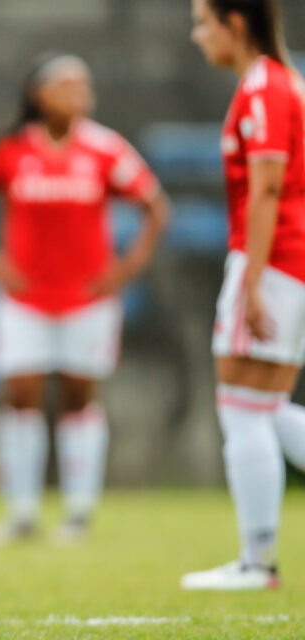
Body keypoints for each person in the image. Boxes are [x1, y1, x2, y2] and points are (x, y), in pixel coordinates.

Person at [0, 52, 170, 544]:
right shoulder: (9, 148)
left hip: (87, 299)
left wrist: (125, 268)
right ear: (38, 94)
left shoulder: (106, 148)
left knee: (78, 398)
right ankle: (22, 514)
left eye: (83, 84)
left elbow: (155, 207)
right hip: (24, 299)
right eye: (67, 84)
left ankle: (78, 513)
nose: (79, 93)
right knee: (20, 395)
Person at [184, 0, 305, 591]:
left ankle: (257, 564)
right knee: (267, 408)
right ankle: (256, 561)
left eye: (203, 21)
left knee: (240, 406)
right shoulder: (284, 83)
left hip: (274, 260)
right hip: (291, 260)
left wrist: (252, 282)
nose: (196, 34)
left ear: (235, 23)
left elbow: (268, 190)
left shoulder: (263, 88)